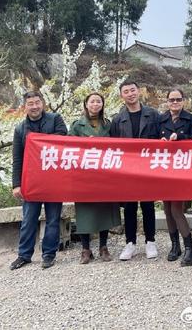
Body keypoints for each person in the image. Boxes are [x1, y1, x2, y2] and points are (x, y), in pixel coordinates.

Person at [9, 91, 67, 270]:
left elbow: (63, 141)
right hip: (31, 180)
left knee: (53, 218)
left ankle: (49, 254)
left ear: (42, 103)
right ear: (24, 107)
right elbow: (17, 158)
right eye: (30, 104)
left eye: (37, 102)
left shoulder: (55, 119)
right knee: (29, 218)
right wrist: (16, 184)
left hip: (53, 178)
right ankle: (24, 254)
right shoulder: (20, 129)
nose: (34, 106)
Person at [109, 80, 161, 261]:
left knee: (148, 205)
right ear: (121, 96)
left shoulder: (153, 115)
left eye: (133, 90)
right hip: (127, 171)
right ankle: (130, 243)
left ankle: (150, 241)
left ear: (139, 92)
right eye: (126, 91)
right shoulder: (117, 119)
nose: (130, 94)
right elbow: (113, 145)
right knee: (129, 207)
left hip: (147, 168)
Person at [69, 92, 119, 264]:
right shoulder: (77, 125)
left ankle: (103, 247)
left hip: (104, 173)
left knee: (103, 209)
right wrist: (84, 145)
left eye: (99, 101)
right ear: (86, 104)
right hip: (84, 174)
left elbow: (118, 146)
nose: (95, 104)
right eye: (92, 101)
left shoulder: (108, 124)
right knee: (85, 211)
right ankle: (85, 249)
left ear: (102, 105)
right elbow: (68, 147)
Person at [159, 88, 192, 266]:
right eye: (171, 100)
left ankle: (190, 248)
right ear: (167, 102)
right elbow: (151, 140)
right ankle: (175, 245)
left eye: (178, 99)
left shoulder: (191, 118)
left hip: (182, 169)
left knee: (177, 209)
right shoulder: (160, 119)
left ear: (183, 101)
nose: (174, 103)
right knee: (167, 209)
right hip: (164, 169)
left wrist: (181, 138)